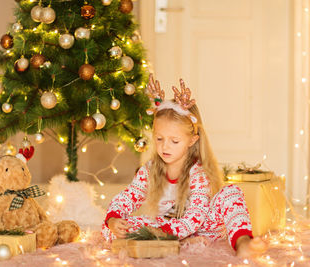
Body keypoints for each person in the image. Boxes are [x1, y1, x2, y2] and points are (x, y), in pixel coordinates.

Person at [101, 74, 267, 257]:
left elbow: (195, 217)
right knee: (113, 227)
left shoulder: (197, 174)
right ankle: (179, 242)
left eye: (174, 141)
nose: (165, 146)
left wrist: (166, 232)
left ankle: (243, 242)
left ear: (191, 141)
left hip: (200, 227)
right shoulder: (148, 170)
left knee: (231, 193)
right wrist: (114, 220)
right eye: (159, 138)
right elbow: (127, 197)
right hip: (165, 226)